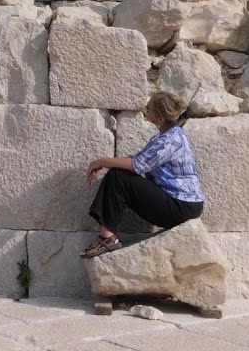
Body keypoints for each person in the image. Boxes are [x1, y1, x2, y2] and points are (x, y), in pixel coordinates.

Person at [80, 91, 205, 258]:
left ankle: (107, 237)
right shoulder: (163, 136)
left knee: (118, 177)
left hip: (182, 207)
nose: (145, 111)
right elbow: (138, 159)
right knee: (118, 173)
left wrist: (102, 161)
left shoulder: (170, 140)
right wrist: (107, 163)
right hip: (177, 202)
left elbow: (138, 165)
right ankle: (108, 236)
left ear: (159, 116)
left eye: (149, 109)